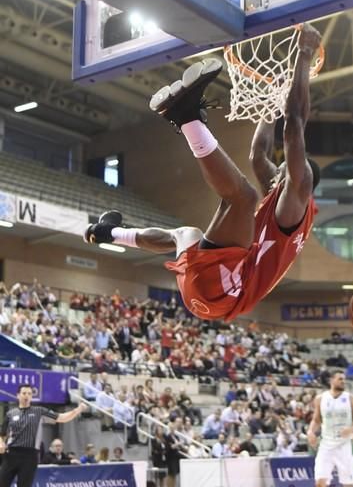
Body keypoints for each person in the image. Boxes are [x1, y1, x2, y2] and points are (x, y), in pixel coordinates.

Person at [84, 25, 321, 321]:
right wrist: (271, 104)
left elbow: (295, 122)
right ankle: (106, 233)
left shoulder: (299, 193)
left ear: (296, 174)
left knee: (243, 199)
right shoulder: (281, 194)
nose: (272, 172)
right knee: (184, 234)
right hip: (205, 293)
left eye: (281, 167)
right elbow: (258, 155)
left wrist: (304, 54)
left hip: (224, 289)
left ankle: (187, 117)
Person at [0, 384, 86, 487]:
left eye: (29, 393)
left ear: (31, 396)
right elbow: (1, 435)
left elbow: (61, 418)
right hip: (11, 455)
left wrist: (77, 410)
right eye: (24, 393)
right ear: (18, 395)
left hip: (30, 457)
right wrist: (1, 443)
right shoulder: (10, 413)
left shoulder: (39, 411)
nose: (26, 395)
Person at [307, 371, 353, 487]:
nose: (343, 381)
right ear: (331, 380)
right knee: (319, 483)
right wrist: (311, 431)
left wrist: (350, 429)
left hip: (345, 445)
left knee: (348, 486)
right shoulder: (320, 399)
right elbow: (316, 420)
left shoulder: (350, 398)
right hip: (326, 444)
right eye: (340, 379)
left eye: (344, 379)